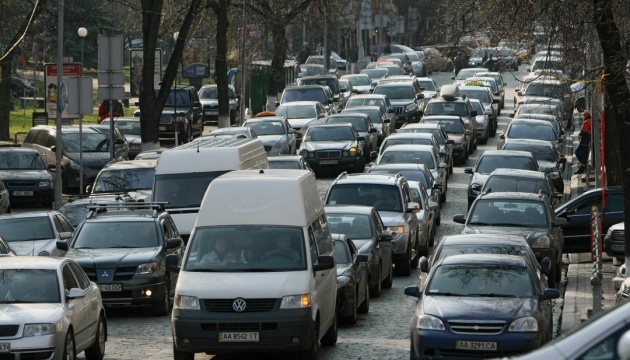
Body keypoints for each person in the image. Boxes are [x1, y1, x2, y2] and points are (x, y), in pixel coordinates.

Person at [574, 110, 592, 174]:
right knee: (584, 155)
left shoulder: (586, 122)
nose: (583, 116)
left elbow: (583, 132)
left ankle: (583, 165)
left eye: (584, 115)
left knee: (577, 152)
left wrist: (580, 134)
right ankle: (582, 168)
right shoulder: (591, 121)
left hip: (585, 141)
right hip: (589, 141)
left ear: (586, 115)